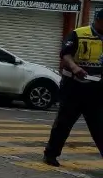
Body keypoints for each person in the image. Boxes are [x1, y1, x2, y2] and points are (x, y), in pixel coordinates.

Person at [43, 9, 103, 166]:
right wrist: (75, 68)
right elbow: (66, 55)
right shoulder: (78, 34)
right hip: (73, 87)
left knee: (100, 126)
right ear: (97, 20)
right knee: (63, 123)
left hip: (96, 89)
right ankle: (51, 154)